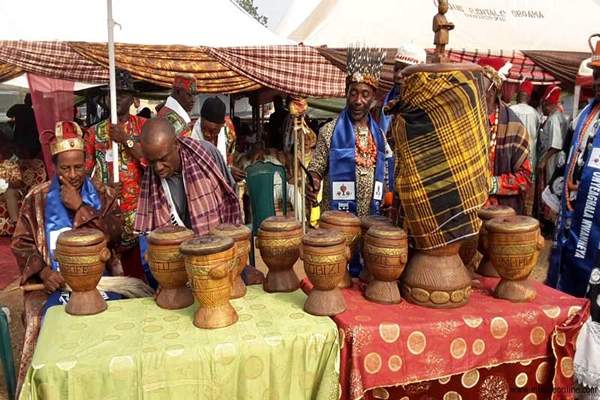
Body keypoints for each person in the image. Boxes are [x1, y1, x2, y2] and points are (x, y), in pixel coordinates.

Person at [11, 121, 122, 387]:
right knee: (43, 320)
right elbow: (22, 242)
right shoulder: (36, 198)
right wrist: (44, 271)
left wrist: (81, 206)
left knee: (118, 316)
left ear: (86, 163)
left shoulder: (102, 194)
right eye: (65, 168)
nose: (73, 175)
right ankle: (53, 385)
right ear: (54, 167)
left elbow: (115, 236)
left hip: (100, 280)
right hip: (51, 285)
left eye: (78, 167)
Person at [547, 50, 600, 297]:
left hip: (596, 220)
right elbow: (567, 154)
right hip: (572, 212)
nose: (597, 81)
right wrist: (554, 198)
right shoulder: (585, 114)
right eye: (596, 75)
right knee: (563, 274)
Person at [84, 69, 147, 280]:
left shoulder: (144, 127)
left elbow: (150, 162)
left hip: (140, 212)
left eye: (123, 92)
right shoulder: (95, 133)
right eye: (113, 92)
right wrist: (103, 186)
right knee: (111, 274)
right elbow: (83, 175)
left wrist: (126, 140)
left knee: (141, 274)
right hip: (109, 213)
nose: (118, 97)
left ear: (132, 98)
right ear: (106, 98)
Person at [135, 117, 241, 235]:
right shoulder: (152, 181)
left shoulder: (206, 154)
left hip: (215, 243)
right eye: (152, 161)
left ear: (176, 144)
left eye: (163, 159)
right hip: (176, 249)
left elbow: (229, 192)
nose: (158, 167)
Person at [478, 57, 532, 214]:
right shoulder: (464, 120)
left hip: (500, 215)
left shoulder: (514, 127)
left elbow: (525, 178)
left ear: (494, 90)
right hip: (465, 214)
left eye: (480, 87)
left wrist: (492, 184)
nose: (474, 93)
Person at [191, 97, 245, 182]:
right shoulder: (190, 134)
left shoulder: (228, 131)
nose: (207, 134)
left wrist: (229, 170)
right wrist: (227, 172)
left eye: (213, 131)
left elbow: (229, 160)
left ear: (222, 125)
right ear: (201, 119)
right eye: (203, 128)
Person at [510, 80, 541, 215]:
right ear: (528, 97)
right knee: (528, 194)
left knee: (512, 188)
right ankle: (525, 219)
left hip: (512, 158)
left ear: (518, 95)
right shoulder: (535, 113)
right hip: (529, 160)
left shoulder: (510, 110)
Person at [6, 93, 41, 159]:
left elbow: (8, 114)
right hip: (31, 139)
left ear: (25, 100)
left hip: (19, 137)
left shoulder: (17, 107)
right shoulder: (34, 112)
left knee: (20, 156)